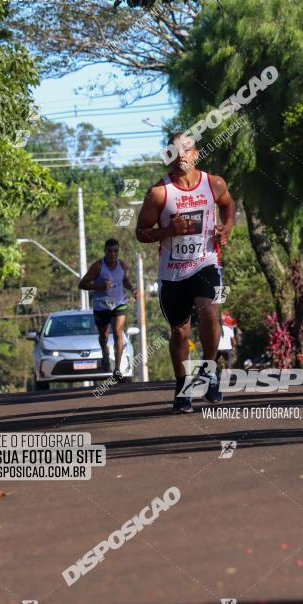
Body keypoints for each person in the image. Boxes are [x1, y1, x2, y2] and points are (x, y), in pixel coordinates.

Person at [136, 132, 235, 413]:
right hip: (173, 272)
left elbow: (228, 205)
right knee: (180, 332)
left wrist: (227, 227)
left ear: (196, 154)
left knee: (210, 312)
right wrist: (168, 231)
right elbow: (140, 232)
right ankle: (182, 387)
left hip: (206, 262)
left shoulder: (213, 184)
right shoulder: (158, 193)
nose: (181, 155)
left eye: (186, 149)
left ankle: (210, 371)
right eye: (174, 150)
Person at [79, 239, 138, 381]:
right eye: (110, 251)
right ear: (105, 251)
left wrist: (132, 289)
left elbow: (125, 280)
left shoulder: (122, 266)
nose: (113, 254)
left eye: (115, 251)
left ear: (118, 252)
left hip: (119, 304)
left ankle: (117, 369)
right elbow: (82, 284)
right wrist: (99, 286)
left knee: (118, 333)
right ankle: (105, 353)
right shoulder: (98, 267)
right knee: (104, 336)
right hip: (101, 306)